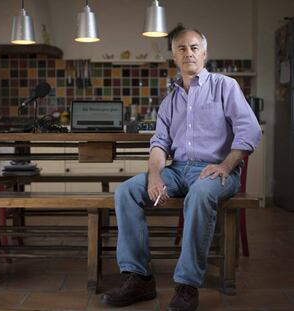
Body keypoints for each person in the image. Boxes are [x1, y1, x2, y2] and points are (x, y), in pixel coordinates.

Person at [101, 29, 262, 311]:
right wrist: (154, 175)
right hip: (177, 170)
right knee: (127, 191)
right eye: (182, 48)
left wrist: (226, 164)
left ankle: (187, 285)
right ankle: (139, 278)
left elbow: (250, 131)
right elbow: (159, 143)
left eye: (194, 47)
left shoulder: (225, 86)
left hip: (217, 171)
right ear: (174, 56)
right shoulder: (169, 101)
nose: (189, 52)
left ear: (204, 53)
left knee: (199, 195)